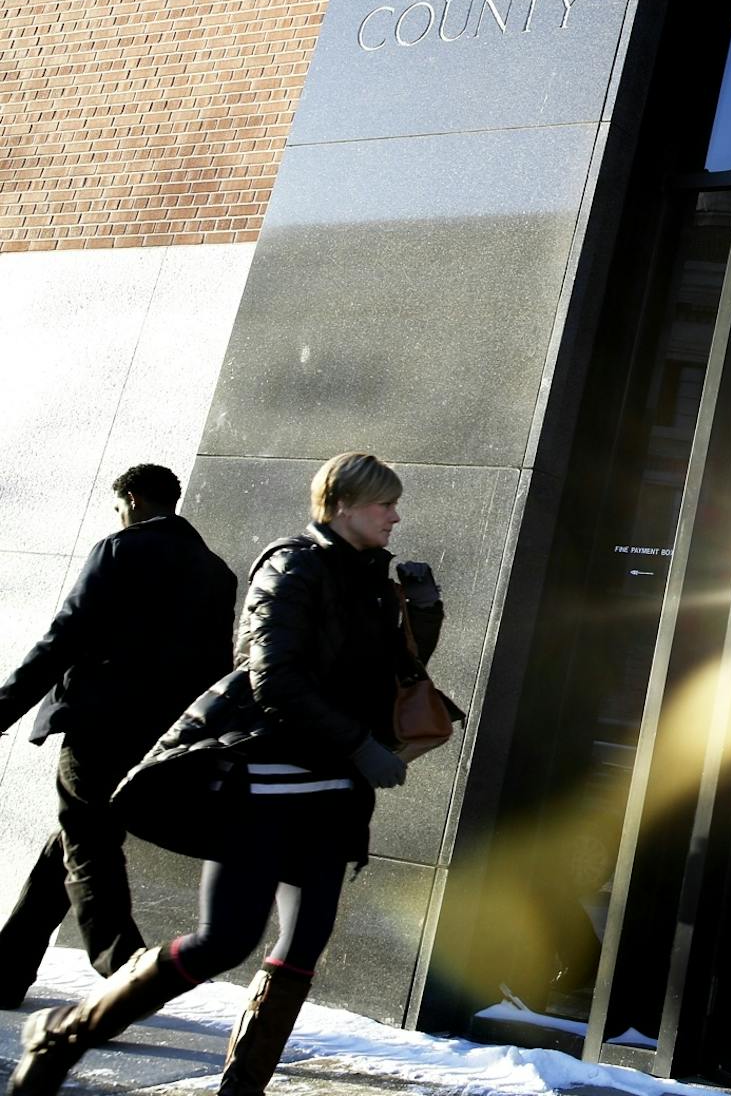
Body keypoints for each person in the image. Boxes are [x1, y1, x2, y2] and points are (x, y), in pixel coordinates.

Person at [8, 452, 449, 1096]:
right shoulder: (291, 565)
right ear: (342, 505)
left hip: (332, 795)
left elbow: (389, 676)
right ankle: (66, 1033)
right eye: (385, 504)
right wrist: (360, 745)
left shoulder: (374, 580)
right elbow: (273, 677)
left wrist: (423, 610)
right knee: (223, 941)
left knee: (300, 953)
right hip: (266, 787)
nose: (396, 516)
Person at [0, 464, 237, 1007]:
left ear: (131, 498)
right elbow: (214, 668)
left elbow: (64, 636)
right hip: (163, 738)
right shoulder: (215, 571)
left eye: (118, 508)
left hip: (100, 724)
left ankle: (131, 971)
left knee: (88, 843)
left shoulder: (119, 549)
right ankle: (6, 972)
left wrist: (4, 708)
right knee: (71, 842)